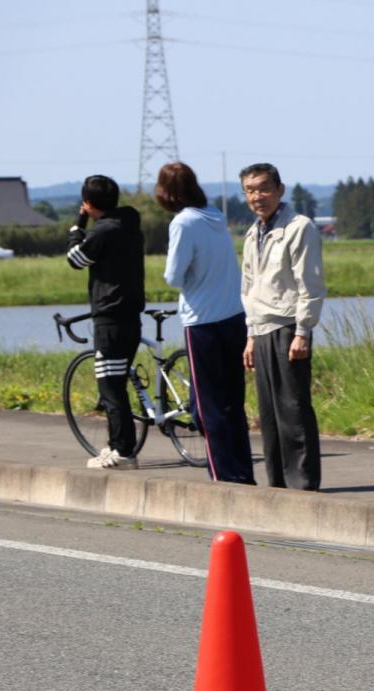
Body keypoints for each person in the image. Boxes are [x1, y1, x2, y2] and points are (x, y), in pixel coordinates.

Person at [156, 162, 255, 485]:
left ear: (166, 193)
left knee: (208, 407)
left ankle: (224, 478)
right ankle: (242, 472)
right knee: (231, 403)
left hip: (202, 321)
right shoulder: (214, 215)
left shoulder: (183, 222)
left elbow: (173, 276)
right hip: (234, 315)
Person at [239, 163, 325, 491]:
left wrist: (303, 331)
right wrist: (250, 334)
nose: (257, 196)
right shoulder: (253, 232)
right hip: (261, 328)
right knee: (269, 413)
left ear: (280, 190)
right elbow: (248, 287)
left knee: (293, 408)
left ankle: (303, 482)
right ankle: (277, 482)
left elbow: (310, 284)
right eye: (250, 190)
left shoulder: (299, 227)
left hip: (289, 326)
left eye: (264, 188)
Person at [65, 175, 145, 470]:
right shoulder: (129, 224)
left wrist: (77, 227)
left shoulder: (104, 231)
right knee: (116, 383)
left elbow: (75, 259)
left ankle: (123, 452)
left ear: (88, 203)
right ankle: (113, 445)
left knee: (111, 387)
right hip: (130, 316)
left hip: (110, 318)